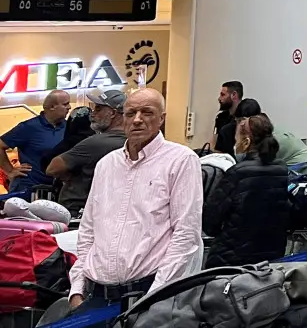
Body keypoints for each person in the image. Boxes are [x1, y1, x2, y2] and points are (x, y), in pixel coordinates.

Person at [69, 89, 202, 312]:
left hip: (148, 293)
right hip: (96, 294)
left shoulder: (181, 161)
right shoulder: (106, 165)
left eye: (147, 112)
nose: (138, 120)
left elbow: (185, 234)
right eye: (131, 113)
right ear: (123, 117)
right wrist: (77, 288)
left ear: (162, 118)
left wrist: (155, 296)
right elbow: (88, 229)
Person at [203, 113, 290, 267]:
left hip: (231, 259)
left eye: (236, 140)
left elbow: (210, 223)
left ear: (246, 141)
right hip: (270, 257)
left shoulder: (237, 172)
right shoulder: (281, 169)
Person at [46, 88, 128, 215]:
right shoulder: (131, 142)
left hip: (77, 210)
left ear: (112, 113)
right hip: (108, 210)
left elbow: (52, 168)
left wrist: (68, 174)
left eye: (99, 109)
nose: (93, 113)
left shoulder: (96, 143)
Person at [0, 89, 70, 193]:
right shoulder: (28, 127)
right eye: (65, 104)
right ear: (52, 107)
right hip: (29, 189)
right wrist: (10, 171)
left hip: (57, 190)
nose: (69, 107)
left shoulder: (69, 127)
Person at [210, 81, 243, 150]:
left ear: (234, 95)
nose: (219, 98)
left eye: (223, 95)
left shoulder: (246, 117)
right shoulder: (221, 117)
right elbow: (214, 144)